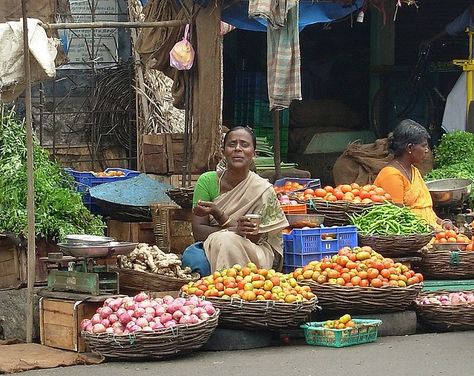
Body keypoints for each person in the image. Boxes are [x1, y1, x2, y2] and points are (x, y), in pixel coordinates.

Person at [181, 126, 289, 276]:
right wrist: (234, 230)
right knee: (208, 250)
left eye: (244, 145)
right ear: (223, 151)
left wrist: (221, 217)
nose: (238, 149)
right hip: (211, 245)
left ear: (254, 153)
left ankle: (228, 287)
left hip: (254, 250)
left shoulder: (262, 189)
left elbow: (256, 237)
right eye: (232, 144)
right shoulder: (207, 181)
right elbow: (199, 232)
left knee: (225, 240)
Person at [374, 119, 454, 230]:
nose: (426, 150)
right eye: (423, 146)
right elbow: (397, 218)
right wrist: (428, 231)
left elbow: (425, 210)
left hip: (429, 233)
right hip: (413, 237)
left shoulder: (414, 171)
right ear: (410, 148)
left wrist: (442, 223)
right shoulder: (391, 175)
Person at [421, 2, 474, 132]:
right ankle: (460, 137)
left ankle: (459, 137)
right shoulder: (468, 15)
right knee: (458, 100)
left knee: (456, 99)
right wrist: (430, 41)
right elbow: (451, 28)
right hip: (471, 67)